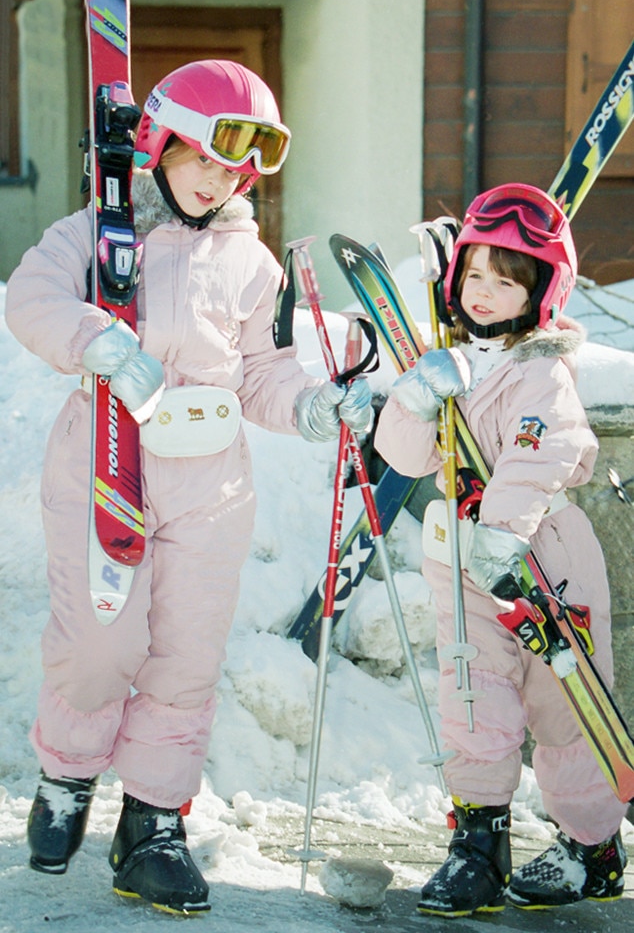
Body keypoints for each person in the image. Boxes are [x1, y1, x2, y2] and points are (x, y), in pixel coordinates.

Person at [5, 59, 372, 914]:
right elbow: (28, 298)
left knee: (185, 653)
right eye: (204, 158)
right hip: (103, 458)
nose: (219, 180)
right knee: (100, 639)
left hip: (209, 484)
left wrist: (313, 408)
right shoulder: (98, 233)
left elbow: (262, 377)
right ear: (160, 143)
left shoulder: (251, 264)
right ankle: (65, 779)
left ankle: (154, 822)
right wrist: (95, 341)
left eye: (235, 168)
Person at [374, 183, 628, 916]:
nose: (485, 294)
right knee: (470, 702)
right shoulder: (452, 361)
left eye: (506, 280)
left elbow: (541, 455)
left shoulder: (542, 370)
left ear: (542, 291)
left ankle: (592, 847)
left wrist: (504, 537)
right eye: (474, 276)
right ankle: (478, 848)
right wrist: (420, 395)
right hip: (461, 566)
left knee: (564, 709)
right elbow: (408, 458)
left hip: (544, 560)